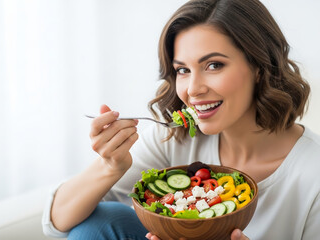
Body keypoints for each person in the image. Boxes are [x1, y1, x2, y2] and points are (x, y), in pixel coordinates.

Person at [42, 0, 320, 239]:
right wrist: (110, 166)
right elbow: (58, 222)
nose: (193, 89)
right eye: (183, 70)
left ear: (259, 67)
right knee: (102, 222)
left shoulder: (312, 175)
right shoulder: (174, 138)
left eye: (214, 65)